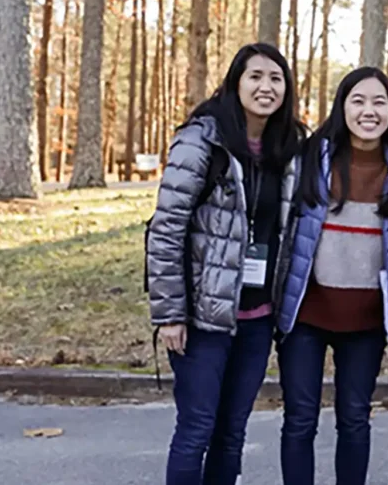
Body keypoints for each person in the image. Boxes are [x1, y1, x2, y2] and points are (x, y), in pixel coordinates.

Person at [147, 42, 305, 485]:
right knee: (196, 429)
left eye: (276, 78)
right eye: (255, 76)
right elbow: (165, 231)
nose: (266, 87)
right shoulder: (202, 140)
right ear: (235, 82)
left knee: (232, 433)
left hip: (257, 318)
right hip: (201, 320)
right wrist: (170, 314)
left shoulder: (289, 148)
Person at [273, 67, 388, 485]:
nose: (368, 111)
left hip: (366, 322)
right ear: (342, 106)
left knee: (354, 419)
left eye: (379, 102)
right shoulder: (309, 159)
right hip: (306, 316)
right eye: (358, 101)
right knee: (300, 418)